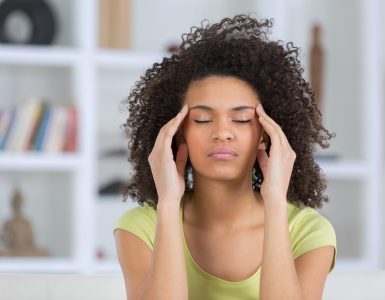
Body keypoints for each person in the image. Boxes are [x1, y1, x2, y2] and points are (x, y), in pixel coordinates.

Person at [114, 14, 337, 300]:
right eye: (203, 119)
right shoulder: (141, 228)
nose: (222, 133)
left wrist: (276, 203)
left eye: (242, 120)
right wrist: (168, 204)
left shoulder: (307, 232)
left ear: (265, 134)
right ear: (177, 132)